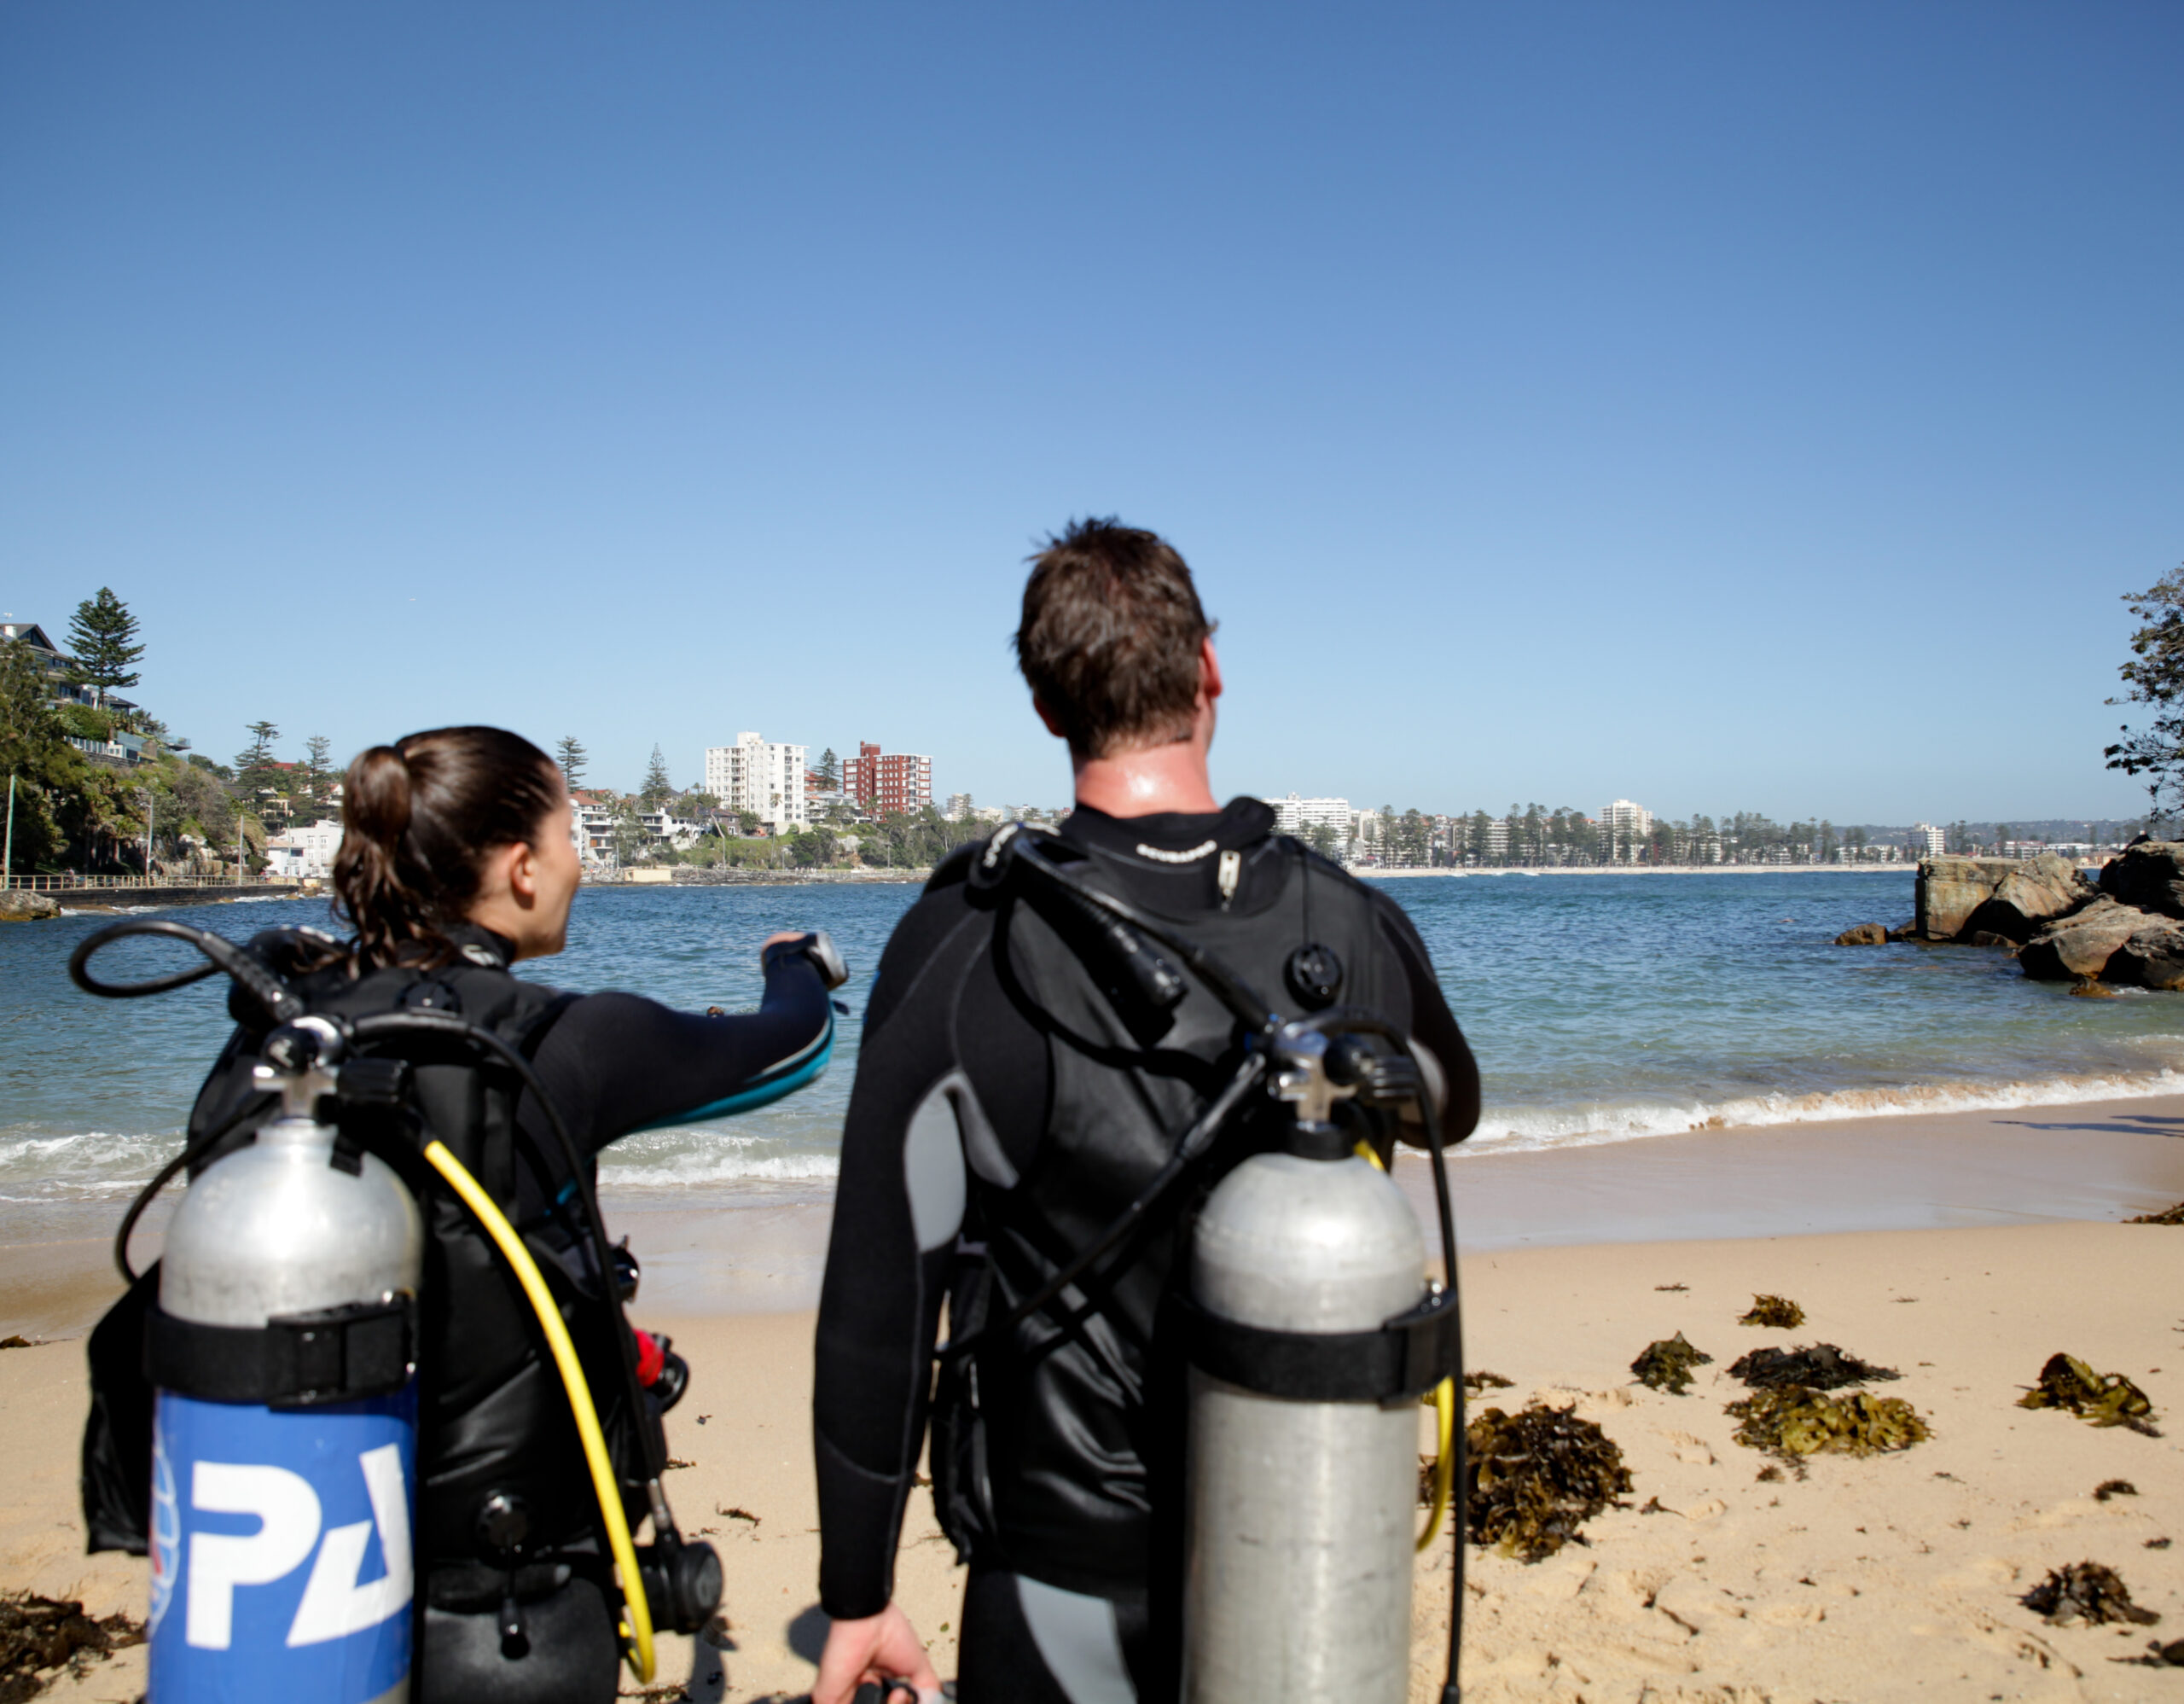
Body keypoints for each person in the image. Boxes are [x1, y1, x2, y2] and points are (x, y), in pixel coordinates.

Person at [809, 521, 1480, 1704]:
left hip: (1064, 1569)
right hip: (1310, 1543)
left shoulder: (967, 942)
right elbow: (1450, 1105)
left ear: (1046, 705)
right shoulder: (1347, 918)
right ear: (1209, 671)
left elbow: (879, 1299)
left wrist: (857, 1593)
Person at [147, 726, 840, 1702]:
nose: (579, 860)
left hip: (293, 1592)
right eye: (571, 833)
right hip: (512, 1616)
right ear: (520, 867)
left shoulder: (282, 1028)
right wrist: (796, 961)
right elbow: (789, 1048)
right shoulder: (559, 1041)